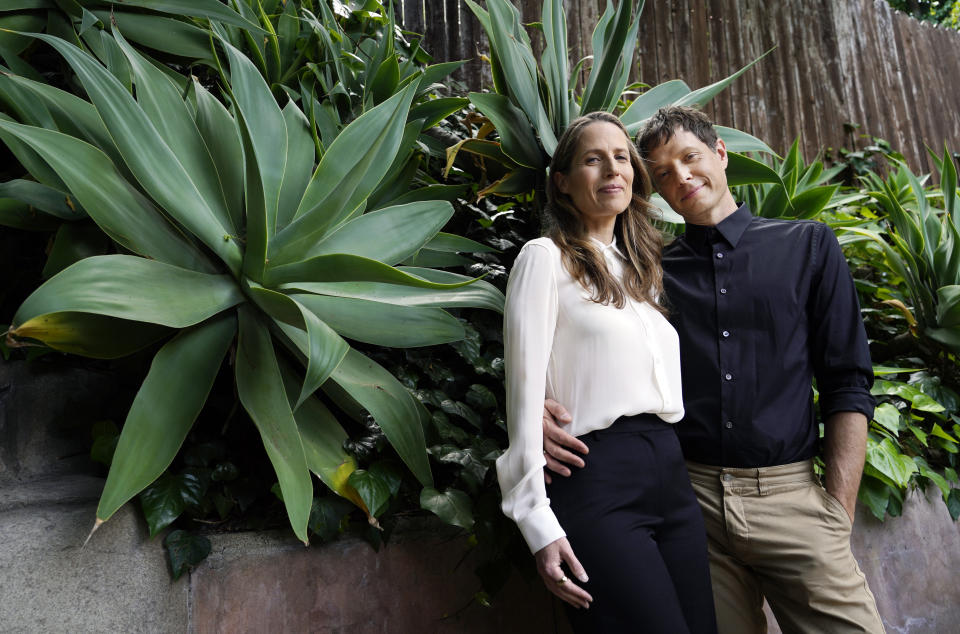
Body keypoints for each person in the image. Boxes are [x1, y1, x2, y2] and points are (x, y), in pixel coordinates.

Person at [542, 105, 886, 633]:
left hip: (790, 498)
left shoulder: (807, 246)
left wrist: (836, 512)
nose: (680, 176)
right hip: (691, 506)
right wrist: (539, 408)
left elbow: (848, 383)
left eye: (690, 157)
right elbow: (598, 350)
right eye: (661, 172)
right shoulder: (648, 272)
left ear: (721, 154)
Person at [497, 111, 717, 633]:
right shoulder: (544, 258)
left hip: (670, 472)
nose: (611, 170)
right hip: (596, 476)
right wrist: (537, 524)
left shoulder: (644, 268)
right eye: (592, 160)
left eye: (621, 157)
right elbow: (523, 397)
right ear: (563, 183)